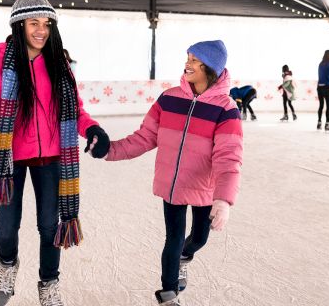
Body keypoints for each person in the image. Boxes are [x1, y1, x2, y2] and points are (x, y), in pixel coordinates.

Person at [0, 0, 110, 306]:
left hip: (52, 158)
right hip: (9, 158)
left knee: (50, 225)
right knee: (8, 227)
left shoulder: (59, 64)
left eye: (47, 24)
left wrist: (92, 128)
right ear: (19, 23)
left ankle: (49, 282)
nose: (41, 31)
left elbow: (76, 111)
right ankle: (8, 264)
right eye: (34, 23)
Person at [89, 40, 243, 306]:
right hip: (172, 185)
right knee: (173, 237)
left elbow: (228, 157)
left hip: (204, 187)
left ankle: (186, 256)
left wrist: (223, 199)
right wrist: (108, 150)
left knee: (199, 237)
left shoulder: (226, 109)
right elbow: (144, 137)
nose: (188, 64)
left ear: (210, 68)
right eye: (188, 58)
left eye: (195, 60)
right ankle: (168, 294)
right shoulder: (169, 98)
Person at [317, 50, 329, 131]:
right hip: (326, 87)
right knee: (328, 106)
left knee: (321, 105)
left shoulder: (320, 64)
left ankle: (319, 123)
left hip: (319, 87)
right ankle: (327, 124)